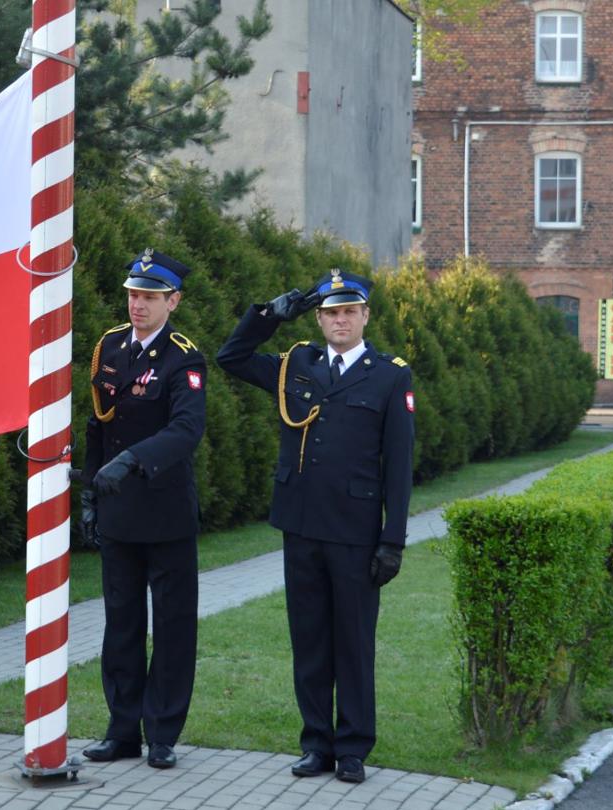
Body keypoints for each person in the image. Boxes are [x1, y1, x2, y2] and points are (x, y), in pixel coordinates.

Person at [214, 269, 415, 784]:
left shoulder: (390, 375)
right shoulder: (296, 363)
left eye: (349, 311)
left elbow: (398, 464)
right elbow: (230, 358)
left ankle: (351, 748)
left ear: (365, 315)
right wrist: (269, 316)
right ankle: (315, 744)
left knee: (352, 641)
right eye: (330, 312)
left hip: (354, 529)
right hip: (300, 523)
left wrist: (393, 540)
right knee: (308, 639)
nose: (339, 320)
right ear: (319, 317)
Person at [78, 249, 208, 770]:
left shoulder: (184, 358)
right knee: (121, 625)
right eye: (134, 295)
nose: (138, 305)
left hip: (165, 512)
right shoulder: (110, 346)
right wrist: (89, 492)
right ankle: (122, 729)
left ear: (172, 301)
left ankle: (162, 733)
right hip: (118, 513)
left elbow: (185, 431)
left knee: (173, 628)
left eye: (150, 297)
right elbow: (98, 423)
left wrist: (130, 462)